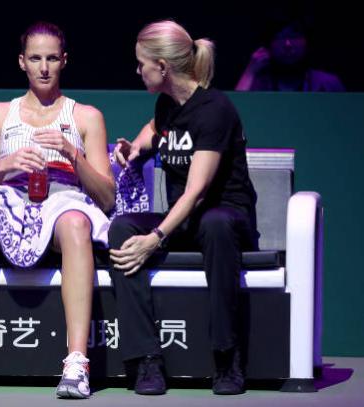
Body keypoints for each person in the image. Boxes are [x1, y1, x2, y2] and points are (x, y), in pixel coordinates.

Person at [0, 22, 115, 399]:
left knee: (77, 223)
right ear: (22, 63)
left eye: (51, 59)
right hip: (7, 202)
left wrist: (70, 153)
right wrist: (5, 165)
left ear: (64, 61)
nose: (43, 67)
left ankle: (77, 362)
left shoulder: (86, 117)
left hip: (64, 203)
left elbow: (107, 198)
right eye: (35, 59)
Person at [109, 20, 259, 396]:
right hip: (187, 219)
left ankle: (226, 357)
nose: (137, 70)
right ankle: (145, 360)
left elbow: (196, 191)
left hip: (226, 216)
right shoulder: (168, 104)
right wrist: (136, 149)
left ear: (162, 66)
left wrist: (155, 238)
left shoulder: (215, 110)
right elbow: (155, 129)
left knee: (215, 224)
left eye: (141, 63)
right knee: (122, 228)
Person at [235, 18, 344, 91]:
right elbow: (232, 116)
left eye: (294, 36)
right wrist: (250, 71)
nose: (288, 44)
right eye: (280, 37)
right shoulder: (259, 83)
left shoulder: (328, 83)